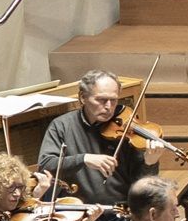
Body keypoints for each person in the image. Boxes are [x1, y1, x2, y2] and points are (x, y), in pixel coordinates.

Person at [38, 71, 165, 210]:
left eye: (113, 100)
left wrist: (150, 163)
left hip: (119, 211)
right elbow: (46, 165)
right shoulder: (62, 126)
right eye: (101, 100)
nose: (108, 107)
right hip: (78, 211)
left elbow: (142, 186)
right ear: (83, 97)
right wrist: (84, 159)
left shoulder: (127, 131)